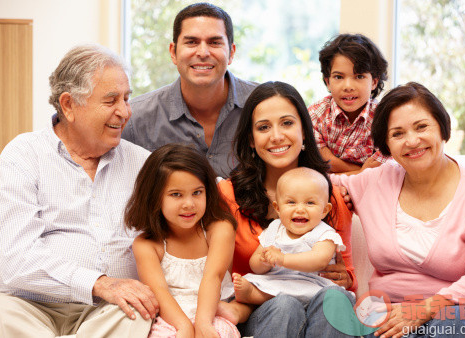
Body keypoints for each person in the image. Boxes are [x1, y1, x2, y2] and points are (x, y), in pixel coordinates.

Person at [0, 44, 158, 337]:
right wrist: (98, 282)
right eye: (111, 100)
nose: (125, 112)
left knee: (138, 314)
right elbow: (15, 257)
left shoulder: (143, 164)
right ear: (68, 105)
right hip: (26, 305)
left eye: (127, 99)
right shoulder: (23, 155)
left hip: (108, 310)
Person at [331, 82, 465, 337]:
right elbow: (314, 184)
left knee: (451, 328)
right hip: (388, 310)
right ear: (387, 144)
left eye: (422, 126)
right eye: (397, 134)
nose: (412, 141)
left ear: (442, 127)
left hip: (459, 311)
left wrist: (423, 310)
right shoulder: (375, 181)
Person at [218, 81, 356, 337]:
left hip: (319, 304)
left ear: (305, 131)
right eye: (263, 127)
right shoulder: (228, 195)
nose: (277, 136)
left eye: (287, 123)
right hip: (263, 309)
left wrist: (343, 278)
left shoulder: (332, 196)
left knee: (335, 300)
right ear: (251, 139)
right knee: (285, 305)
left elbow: (347, 272)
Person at [122, 2, 258, 178]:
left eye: (214, 42)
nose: (203, 52)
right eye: (191, 42)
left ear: (231, 52)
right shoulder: (135, 120)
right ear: (173, 52)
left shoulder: (264, 105)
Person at [125, 144, 240, 337]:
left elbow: (213, 277)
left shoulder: (219, 229)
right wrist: (184, 327)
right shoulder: (147, 244)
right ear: (155, 198)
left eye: (197, 192)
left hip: (213, 313)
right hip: (170, 318)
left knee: (218, 333)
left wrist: (203, 323)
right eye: (176, 195)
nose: (189, 204)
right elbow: (159, 291)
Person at [232, 167, 351, 308]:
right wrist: (264, 260)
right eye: (291, 202)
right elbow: (255, 266)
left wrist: (283, 259)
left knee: (325, 296)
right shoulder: (275, 228)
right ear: (278, 208)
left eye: (310, 203)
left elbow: (319, 260)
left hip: (312, 285)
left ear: (324, 210)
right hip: (278, 282)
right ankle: (253, 294)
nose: (300, 209)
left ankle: (254, 295)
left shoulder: (324, 233)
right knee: (271, 288)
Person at [308, 34, 388, 175]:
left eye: (359, 76)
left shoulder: (384, 118)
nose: (348, 86)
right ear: (328, 82)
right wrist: (360, 171)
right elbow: (324, 161)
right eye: (339, 77)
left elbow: (380, 170)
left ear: (374, 82)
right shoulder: (315, 114)